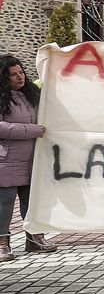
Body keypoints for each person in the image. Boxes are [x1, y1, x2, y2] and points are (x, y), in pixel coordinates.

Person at [0, 55, 55, 261]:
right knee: (4, 203)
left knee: (31, 201)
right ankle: (3, 243)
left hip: (33, 158)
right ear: (4, 78)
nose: (19, 77)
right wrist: (34, 130)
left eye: (21, 72)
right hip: (6, 160)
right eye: (13, 75)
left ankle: (34, 238)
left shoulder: (32, 94)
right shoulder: (2, 99)